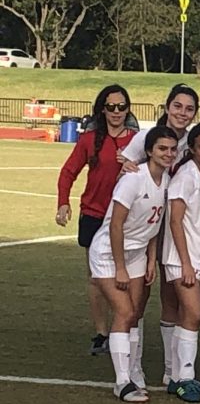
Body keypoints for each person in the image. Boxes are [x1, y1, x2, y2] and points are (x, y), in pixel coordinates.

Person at [88, 126, 177, 402]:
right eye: (162, 148)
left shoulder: (167, 181)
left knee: (135, 313)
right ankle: (122, 381)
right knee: (125, 313)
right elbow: (115, 224)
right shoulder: (133, 179)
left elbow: (153, 226)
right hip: (108, 254)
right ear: (149, 150)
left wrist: (151, 259)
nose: (168, 154)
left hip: (137, 253)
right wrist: (120, 267)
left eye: (173, 149)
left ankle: (134, 371)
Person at [120, 83, 200, 386]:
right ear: (167, 107)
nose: (182, 113)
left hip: (176, 225)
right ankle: (132, 367)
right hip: (145, 226)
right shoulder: (148, 137)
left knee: (172, 296)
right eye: (177, 106)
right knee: (138, 297)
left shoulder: (191, 141)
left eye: (189, 108)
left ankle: (171, 370)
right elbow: (123, 163)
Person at [56, 84, 138, 355]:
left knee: (124, 276)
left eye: (121, 107)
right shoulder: (89, 140)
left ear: (128, 109)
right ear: (102, 109)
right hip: (93, 214)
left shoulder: (138, 140)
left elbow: (155, 170)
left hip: (125, 218)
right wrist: (63, 203)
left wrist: (132, 165)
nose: (116, 112)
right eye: (111, 106)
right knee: (95, 278)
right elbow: (68, 171)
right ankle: (101, 332)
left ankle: (124, 327)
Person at [162, 123, 200, 403]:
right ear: (193, 149)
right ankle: (184, 377)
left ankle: (176, 376)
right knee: (194, 313)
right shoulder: (185, 176)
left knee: (188, 317)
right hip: (182, 257)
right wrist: (185, 263)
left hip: (199, 255)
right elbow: (175, 220)